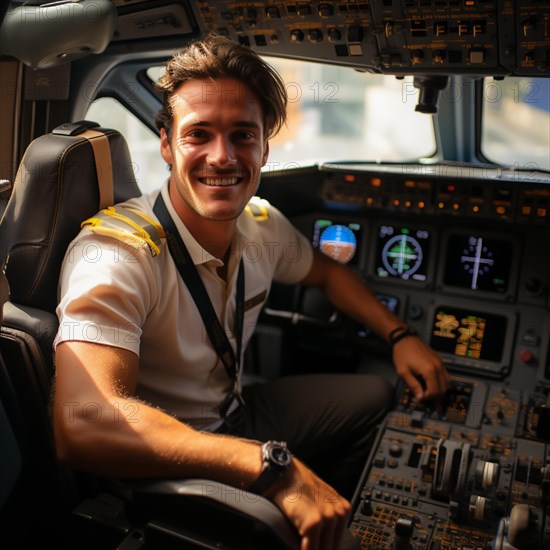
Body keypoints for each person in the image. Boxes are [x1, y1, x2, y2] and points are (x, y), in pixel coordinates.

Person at [53, 34, 449, 549]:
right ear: (168, 145)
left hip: (235, 415)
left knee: (377, 396)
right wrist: (274, 468)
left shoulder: (262, 226)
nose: (223, 156)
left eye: (243, 135)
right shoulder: (115, 253)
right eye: (199, 134)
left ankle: (332, 511)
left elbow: (329, 275)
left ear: (264, 146)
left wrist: (399, 336)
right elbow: (82, 426)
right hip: (160, 463)